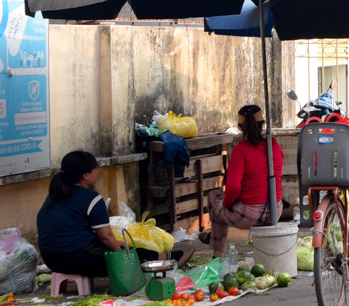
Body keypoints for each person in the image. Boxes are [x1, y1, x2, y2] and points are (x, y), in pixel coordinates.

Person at [37, 151, 196, 278]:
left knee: (117, 245)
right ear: (86, 175)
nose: (97, 171)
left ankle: (163, 256)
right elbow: (106, 237)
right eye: (95, 167)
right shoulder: (92, 199)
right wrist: (124, 256)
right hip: (75, 258)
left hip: (51, 259)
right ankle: (169, 259)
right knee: (131, 252)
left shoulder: (54, 195)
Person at [201, 104, 283, 257]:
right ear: (262, 124)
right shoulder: (274, 147)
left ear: (240, 128)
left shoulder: (240, 150)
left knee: (214, 197)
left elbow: (233, 188)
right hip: (274, 211)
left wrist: (223, 204)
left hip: (247, 216)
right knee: (221, 205)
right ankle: (214, 235)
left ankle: (217, 252)